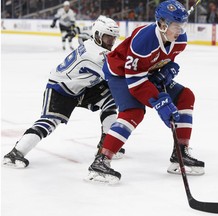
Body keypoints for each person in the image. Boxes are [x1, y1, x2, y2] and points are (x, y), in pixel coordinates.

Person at [85, 0, 205, 184]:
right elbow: (135, 82)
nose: (180, 30)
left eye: (182, 25)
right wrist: (159, 101)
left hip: (144, 72)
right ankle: (100, 162)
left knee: (185, 96)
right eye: (176, 26)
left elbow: (164, 59)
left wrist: (168, 69)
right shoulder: (143, 40)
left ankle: (180, 153)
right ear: (162, 24)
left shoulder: (180, 40)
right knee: (134, 112)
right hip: (120, 73)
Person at [2, 16, 125, 169]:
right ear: (98, 35)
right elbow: (115, 76)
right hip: (60, 88)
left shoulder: (94, 45)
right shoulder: (96, 56)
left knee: (110, 100)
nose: (111, 42)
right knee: (49, 122)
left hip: (81, 87)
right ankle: (15, 153)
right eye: (108, 38)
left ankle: (106, 144)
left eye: (113, 38)